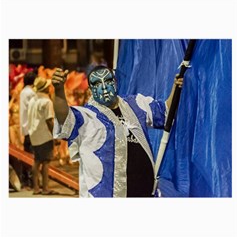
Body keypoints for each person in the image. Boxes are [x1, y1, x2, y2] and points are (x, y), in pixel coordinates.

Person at [52, 66, 183, 198]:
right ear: (91, 90)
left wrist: (176, 88)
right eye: (97, 84)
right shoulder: (87, 116)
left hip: (144, 192)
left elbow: (165, 113)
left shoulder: (136, 104)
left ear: (115, 82)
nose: (104, 87)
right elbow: (65, 118)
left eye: (108, 81)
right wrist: (58, 91)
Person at [28, 77, 57, 195]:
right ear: (46, 88)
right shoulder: (47, 101)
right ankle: (45, 188)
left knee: (36, 161)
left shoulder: (32, 100)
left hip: (34, 135)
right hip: (45, 135)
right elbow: (49, 120)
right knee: (46, 162)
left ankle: (36, 188)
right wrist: (55, 134)